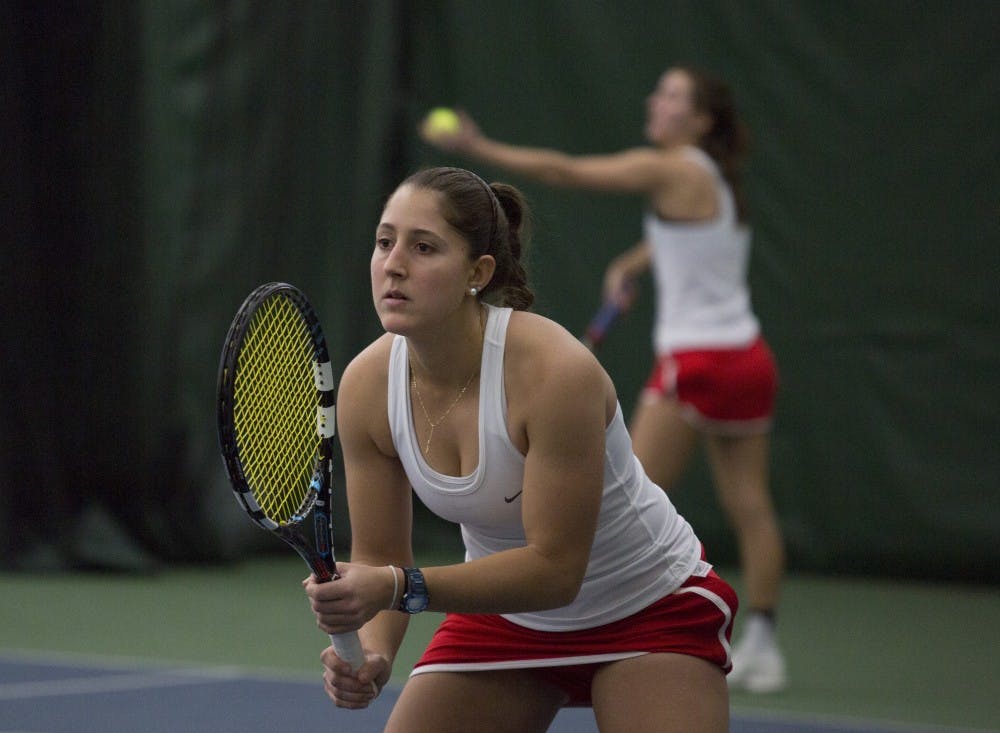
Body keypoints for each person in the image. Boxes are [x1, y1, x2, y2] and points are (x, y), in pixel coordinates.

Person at [303, 166, 738, 732]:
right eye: (385, 242)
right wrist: (375, 652)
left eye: (424, 246)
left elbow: (556, 571)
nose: (394, 263)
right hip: (507, 619)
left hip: (646, 606)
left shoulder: (556, 372)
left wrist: (394, 588)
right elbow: (381, 550)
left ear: (477, 273)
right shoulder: (366, 387)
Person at [420, 66, 787, 693]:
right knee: (750, 504)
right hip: (747, 357)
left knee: (617, 496)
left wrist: (477, 150)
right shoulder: (714, 180)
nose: (656, 101)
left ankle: (612, 624)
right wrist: (632, 261)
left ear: (700, 121)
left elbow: (567, 172)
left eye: (672, 96)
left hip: (694, 364)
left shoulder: (668, 167)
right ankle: (764, 643)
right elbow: (696, 244)